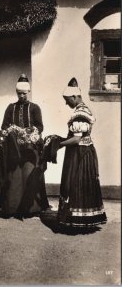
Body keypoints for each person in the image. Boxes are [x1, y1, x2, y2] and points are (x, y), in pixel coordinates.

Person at [57, 77, 107, 227]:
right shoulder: (84, 109)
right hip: (86, 152)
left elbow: (76, 139)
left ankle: (76, 219)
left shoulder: (80, 114)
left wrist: (58, 144)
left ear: (74, 97)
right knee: (83, 184)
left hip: (80, 154)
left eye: (67, 100)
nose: (66, 103)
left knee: (76, 183)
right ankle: (84, 218)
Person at [0, 74, 49, 218]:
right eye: (19, 93)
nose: (22, 96)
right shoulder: (11, 108)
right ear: (16, 93)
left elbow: (40, 126)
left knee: (29, 175)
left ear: (28, 92)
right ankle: (13, 207)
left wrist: (29, 132)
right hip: (14, 148)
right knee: (14, 176)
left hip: (30, 148)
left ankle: (31, 208)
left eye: (24, 93)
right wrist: (12, 130)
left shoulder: (34, 108)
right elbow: (4, 125)